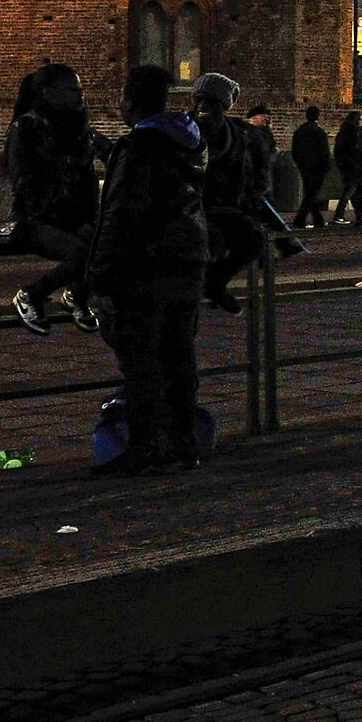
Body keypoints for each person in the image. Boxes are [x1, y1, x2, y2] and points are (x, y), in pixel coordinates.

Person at [81, 63, 209, 475]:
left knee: (141, 359)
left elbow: (119, 214)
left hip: (146, 267)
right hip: (187, 261)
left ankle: (145, 445)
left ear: (130, 101)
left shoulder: (137, 149)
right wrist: (105, 148)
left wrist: (98, 278)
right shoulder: (184, 139)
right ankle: (184, 444)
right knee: (178, 356)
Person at [3, 64, 104, 335]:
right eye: (72, 90)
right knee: (84, 253)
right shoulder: (26, 127)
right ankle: (30, 295)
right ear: (47, 93)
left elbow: (88, 182)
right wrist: (66, 219)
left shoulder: (81, 131)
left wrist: (87, 219)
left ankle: (77, 296)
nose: (80, 96)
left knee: (110, 245)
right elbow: (25, 184)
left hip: (75, 218)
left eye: (81, 90)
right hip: (35, 220)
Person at [191, 73, 264, 314]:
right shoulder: (183, 128)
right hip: (190, 207)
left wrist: (252, 197)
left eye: (209, 101)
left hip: (226, 206)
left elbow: (253, 174)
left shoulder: (240, 135)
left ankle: (215, 282)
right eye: (198, 100)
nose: (201, 106)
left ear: (222, 106)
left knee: (253, 240)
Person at [291, 106, 333, 229]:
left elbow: (295, 150)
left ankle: (317, 219)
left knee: (310, 192)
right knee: (312, 193)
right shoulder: (319, 132)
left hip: (304, 166)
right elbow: (324, 151)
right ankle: (301, 219)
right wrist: (326, 166)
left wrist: (299, 162)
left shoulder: (299, 131)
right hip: (317, 167)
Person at [330, 110, 362, 225]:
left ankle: (360, 214)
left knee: (351, 190)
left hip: (343, 164)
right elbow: (357, 149)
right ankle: (339, 215)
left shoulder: (342, 132)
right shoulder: (355, 133)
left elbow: (337, 149)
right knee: (350, 190)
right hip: (352, 164)